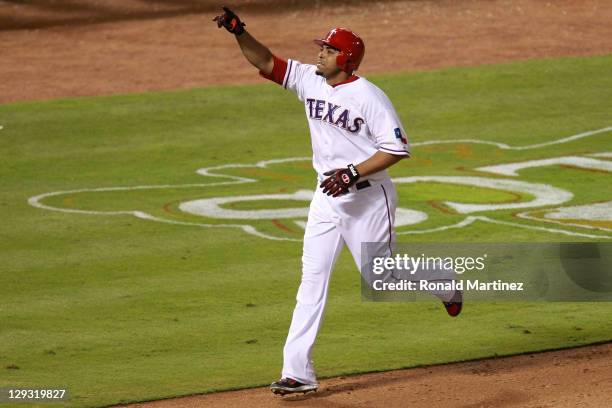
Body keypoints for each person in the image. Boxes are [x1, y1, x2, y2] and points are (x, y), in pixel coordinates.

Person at [213, 6, 462, 396]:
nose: (320, 53)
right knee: (311, 282)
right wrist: (239, 32)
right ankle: (298, 373)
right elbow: (266, 61)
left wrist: (352, 172)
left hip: (367, 199)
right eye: (322, 47)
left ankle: (442, 280)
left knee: (383, 279)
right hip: (326, 200)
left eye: (328, 49)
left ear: (345, 58)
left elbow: (396, 150)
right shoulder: (310, 80)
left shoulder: (369, 96)